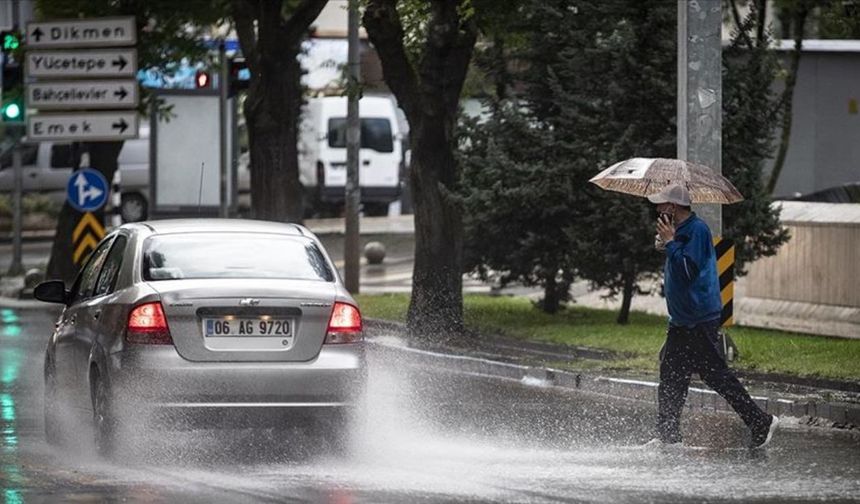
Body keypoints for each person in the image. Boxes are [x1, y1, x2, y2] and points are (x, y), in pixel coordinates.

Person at [648, 183, 778, 449]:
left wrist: (671, 243)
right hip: (682, 320)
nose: (658, 209)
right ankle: (668, 436)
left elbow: (687, 271)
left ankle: (760, 422)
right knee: (672, 376)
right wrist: (666, 243)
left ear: (673, 206)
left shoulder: (697, 230)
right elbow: (677, 261)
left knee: (715, 375)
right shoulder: (679, 230)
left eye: (661, 204)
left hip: (698, 318)